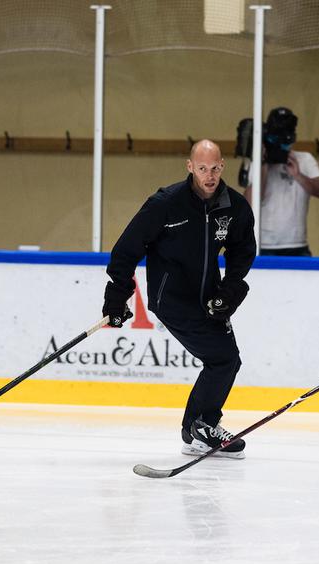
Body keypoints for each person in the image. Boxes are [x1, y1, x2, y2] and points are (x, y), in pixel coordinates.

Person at [103, 140, 257, 458]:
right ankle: (201, 426)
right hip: (170, 297)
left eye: (214, 168)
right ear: (190, 167)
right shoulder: (166, 203)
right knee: (223, 358)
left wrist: (229, 290)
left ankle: (197, 428)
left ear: (222, 166)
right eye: (202, 168)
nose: (209, 175)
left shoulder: (235, 207)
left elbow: (243, 251)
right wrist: (118, 295)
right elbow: (127, 249)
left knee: (225, 360)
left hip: (209, 298)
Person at [244, 107, 319, 256]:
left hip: (298, 244)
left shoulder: (305, 159)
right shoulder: (258, 162)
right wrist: (264, 164)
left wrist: (298, 175)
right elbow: (250, 201)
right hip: (265, 245)